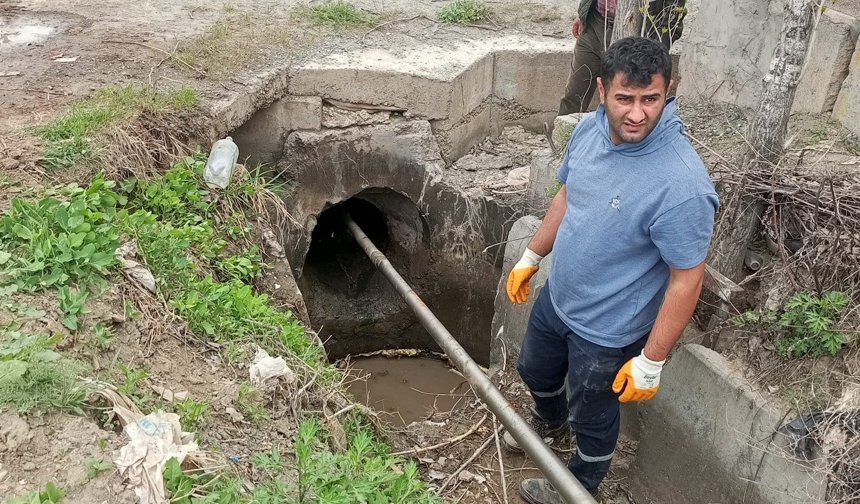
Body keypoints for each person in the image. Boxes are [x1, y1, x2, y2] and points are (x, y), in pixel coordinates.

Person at [505, 37, 718, 503]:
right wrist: (532, 257)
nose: (637, 114)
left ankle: (579, 486)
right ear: (602, 90)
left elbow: (687, 278)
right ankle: (550, 423)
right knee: (534, 369)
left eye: (650, 99)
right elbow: (568, 196)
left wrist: (652, 361)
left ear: (668, 91)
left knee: (594, 416)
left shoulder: (682, 185)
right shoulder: (589, 131)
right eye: (625, 98)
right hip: (560, 296)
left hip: (608, 331)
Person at [559, 0, 686, 115]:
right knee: (574, 96)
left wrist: (654, 49)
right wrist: (583, 13)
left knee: (626, 101)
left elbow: (673, 13)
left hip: (639, 29)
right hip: (595, 22)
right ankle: (565, 133)